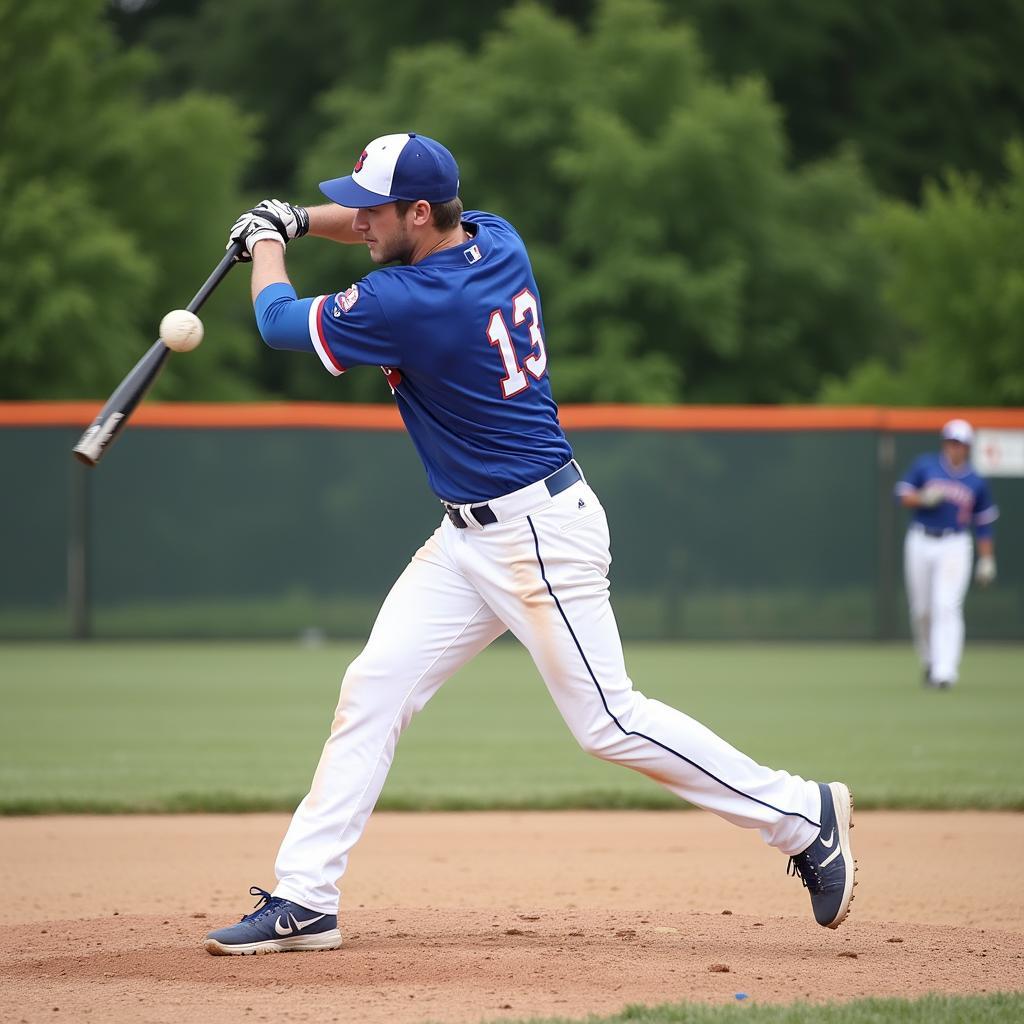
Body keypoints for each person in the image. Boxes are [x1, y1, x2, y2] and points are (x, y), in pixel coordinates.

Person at [203, 133, 856, 956]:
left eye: (375, 208)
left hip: (535, 535)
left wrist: (266, 241)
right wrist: (298, 218)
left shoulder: (409, 301)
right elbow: (379, 229)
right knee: (372, 690)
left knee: (609, 721)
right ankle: (305, 898)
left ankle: (802, 816)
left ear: (417, 212)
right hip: (470, 537)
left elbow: (274, 321)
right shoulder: (493, 234)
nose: (360, 221)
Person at [895, 419, 998, 689]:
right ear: (945, 443)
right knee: (922, 610)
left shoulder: (976, 480)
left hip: (955, 543)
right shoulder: (926, 466)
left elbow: (984, 523)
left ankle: (945, 671)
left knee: (947, 605)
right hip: (921, 538)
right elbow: (902, 495)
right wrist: (923, 498)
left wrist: (987, 559)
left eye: (961, 444)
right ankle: (930, 661)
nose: (956, 448)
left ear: (968, 448)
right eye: (952, 443)